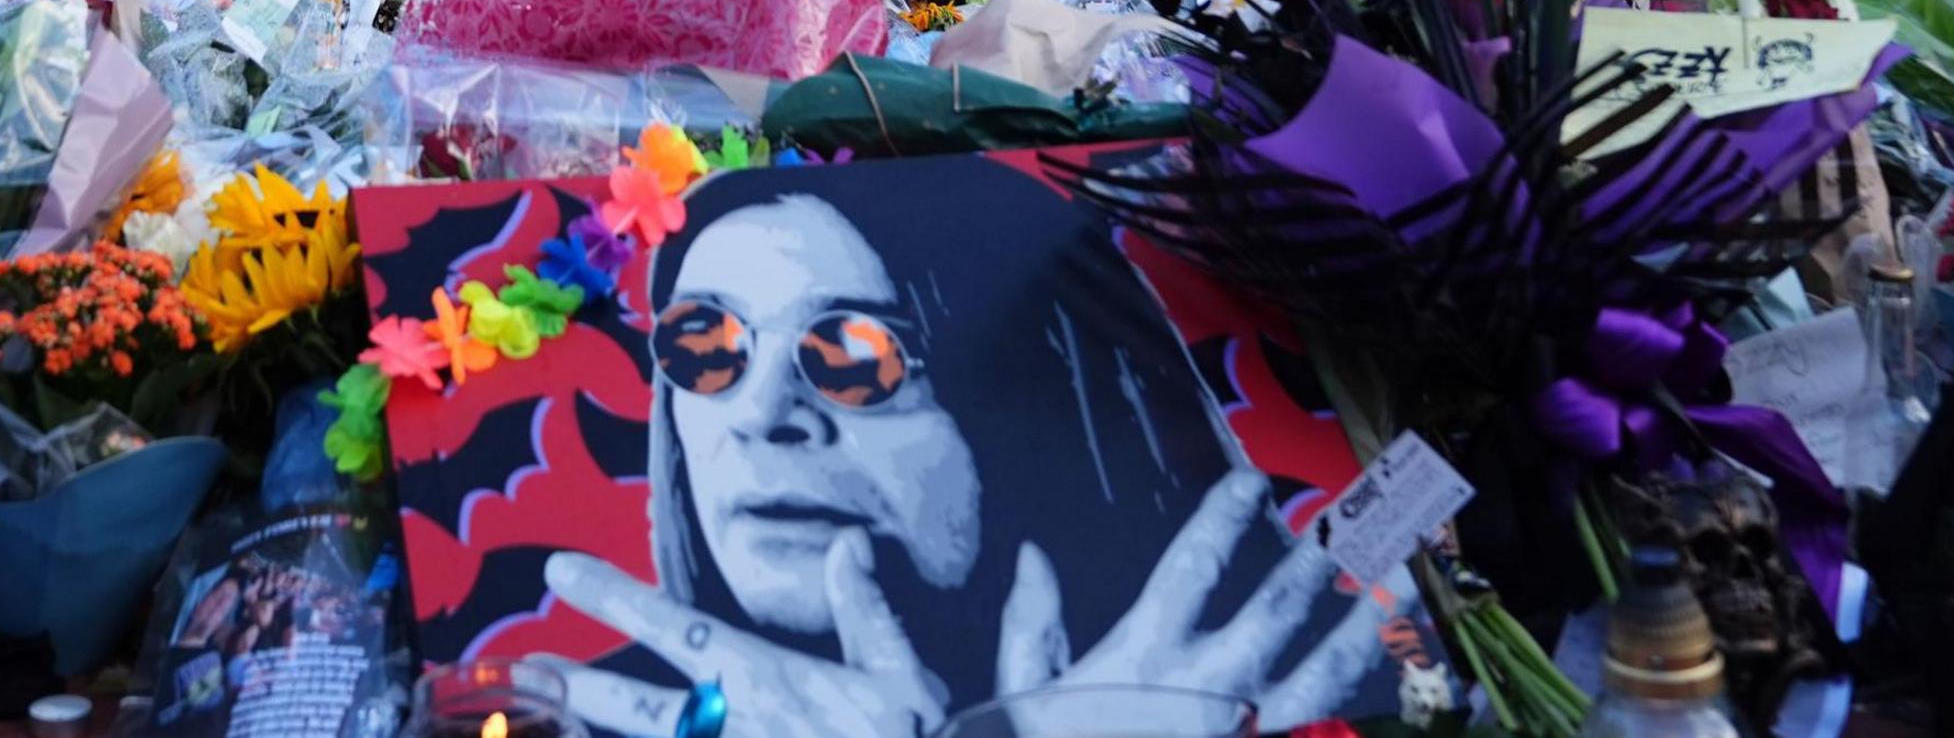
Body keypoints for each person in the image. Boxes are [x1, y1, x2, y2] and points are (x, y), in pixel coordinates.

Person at [535, 166, 1388, 738]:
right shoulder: (562, 707)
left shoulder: (1302, 684)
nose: (762, 413)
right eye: (703, 343)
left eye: (857, 354)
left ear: (1061, 399)